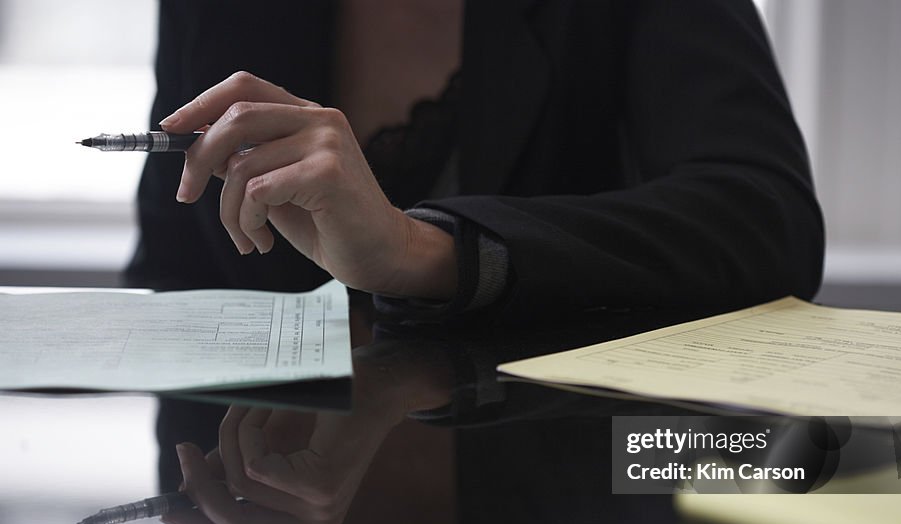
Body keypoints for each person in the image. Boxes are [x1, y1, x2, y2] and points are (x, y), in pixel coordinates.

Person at [128, 0, 824, 321]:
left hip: (581, 496)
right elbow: (169, 268)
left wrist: (428, 250)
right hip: (266, 491)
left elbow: (768, 221)